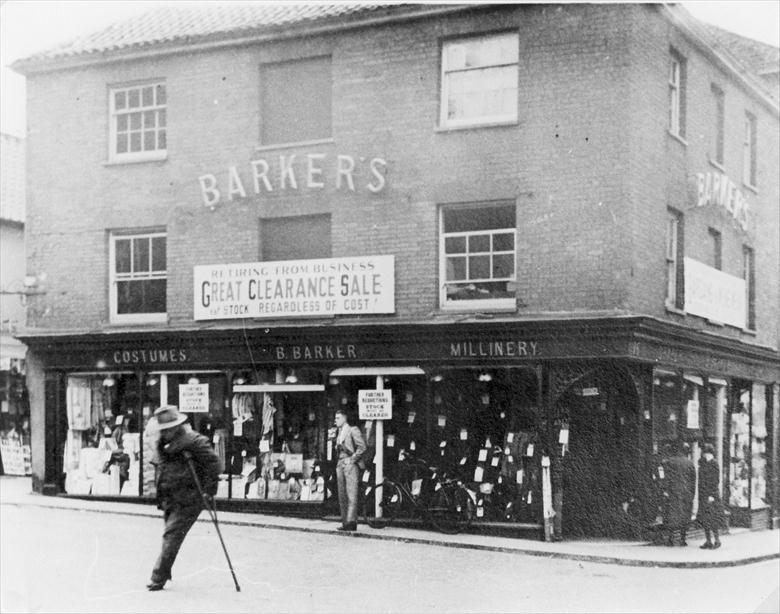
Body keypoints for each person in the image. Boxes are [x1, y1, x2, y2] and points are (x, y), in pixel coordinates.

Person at [147, 405, 221, 591]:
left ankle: (158, 577)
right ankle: (165, 571)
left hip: (189, 498)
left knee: (171, 535)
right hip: (169, 497)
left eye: (169, 429)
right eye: (164, 430)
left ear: (177, 426)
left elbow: (214, 463)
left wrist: (209, 491)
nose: (166, 433)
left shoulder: (194, 441)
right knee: (170, 536)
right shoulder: (163, 444)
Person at [334, 408, 367, 531]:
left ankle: (351, 522)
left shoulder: (353, 430)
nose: (335, 420)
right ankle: (345, 521)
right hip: (340, 463)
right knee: (342, 494)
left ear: (344, 418)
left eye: (338, 418)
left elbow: (362, 447)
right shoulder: (339, 432)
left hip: (350, 463)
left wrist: (352, 459)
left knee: (351, 494)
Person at [662, 441, 696, 546]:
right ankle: (682, 539)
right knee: (685, 515)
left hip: (673, 492)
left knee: (671, 514)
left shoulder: (670, 462)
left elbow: (666, 478)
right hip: (686, 493)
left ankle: (671, 539)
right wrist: (692, 494)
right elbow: (693, 480)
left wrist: (665, 490)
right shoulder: (690, 463)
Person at [697, 443, 724, 549]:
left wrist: (712, 495)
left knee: (713, 519)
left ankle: (717, 540)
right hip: (704, 495)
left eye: (703, 452)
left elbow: (715, 480)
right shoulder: (704, 463)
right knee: (705, 518)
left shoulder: (714, 464)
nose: (702, 454)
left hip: (711, 496)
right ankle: (708, 540)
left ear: (707, 452)